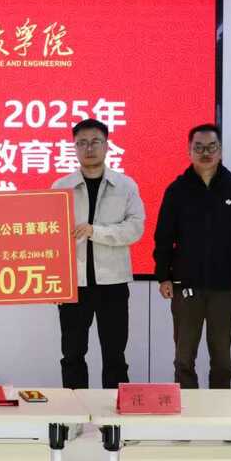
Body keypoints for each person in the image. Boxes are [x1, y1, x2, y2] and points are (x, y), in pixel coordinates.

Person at [153, 124, 231, 389]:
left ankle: (219, 409)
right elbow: (163, 237)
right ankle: (187, 409)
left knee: (222, 359)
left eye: (211, 147)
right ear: (189, 151)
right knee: (184, 358)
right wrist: (163, 276)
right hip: (186, 284)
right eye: (199, 147)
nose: (205, 153)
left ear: (220, 150)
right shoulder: (177, 190)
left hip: (225, 286)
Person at [51, 118, 145, 389]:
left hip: (113, 284)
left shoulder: (125, 185)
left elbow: (135, 229)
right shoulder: (61, 187)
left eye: (95, 142)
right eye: (82, 143)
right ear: (74, 147)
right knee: (72, 354)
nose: (88, 148)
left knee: (115, 356)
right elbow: (51, 239)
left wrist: (96, 232)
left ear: (107, 145)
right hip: (74, 286)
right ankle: (74, 408)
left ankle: (113, 412)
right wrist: (53, 282)